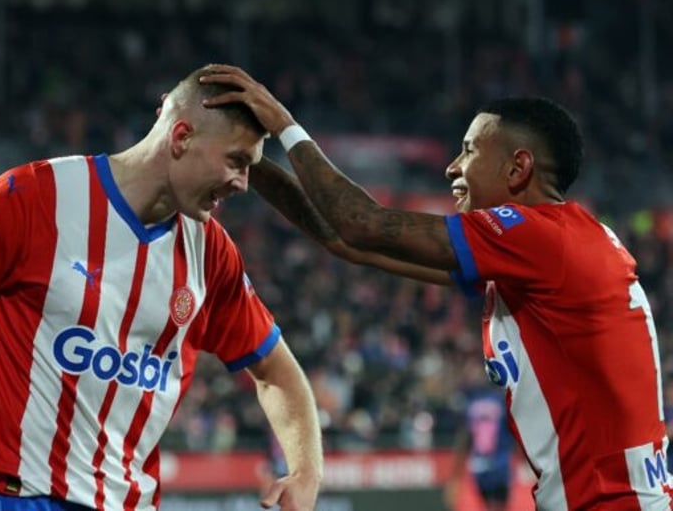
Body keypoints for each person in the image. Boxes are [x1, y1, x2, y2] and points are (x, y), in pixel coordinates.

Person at [0, 66, 323, 511]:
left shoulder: (211, 253)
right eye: (237, 160)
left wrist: (306, 473)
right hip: (10, 499)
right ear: (181, 136)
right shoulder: (31, 198)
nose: (242, 182)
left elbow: (277, 372)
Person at [199, 64, 673, 510]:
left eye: (469, 150)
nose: (451, 167)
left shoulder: (539, 238)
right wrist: (249, 160)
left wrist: (282, 124)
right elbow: (347, 241)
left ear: (517, 168)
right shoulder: (549, 249)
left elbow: (362, 224)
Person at [444, 378, 514, 511]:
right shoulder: (501, 401)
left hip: (479, 464)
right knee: (500, 505)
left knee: (489, 505)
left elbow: (464, 439)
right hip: (500, 462)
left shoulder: (471, 404)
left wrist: (455, 477)